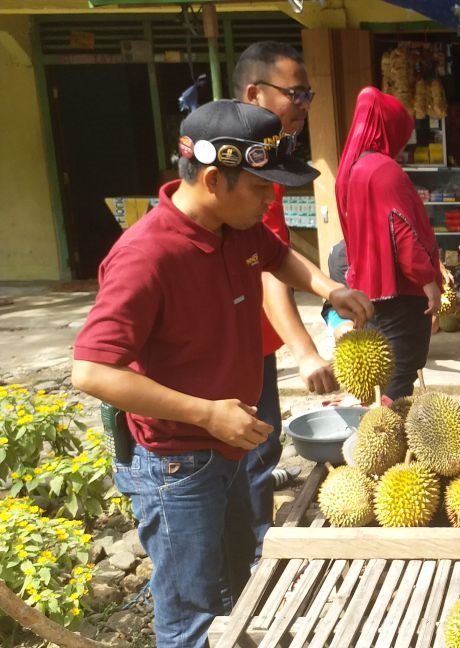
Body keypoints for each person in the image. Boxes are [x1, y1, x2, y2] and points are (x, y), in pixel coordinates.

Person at [71, 100, 373, 648]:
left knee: (237, 589)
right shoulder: (146, 256)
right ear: (213, 179)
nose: (270, 199)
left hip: (232, 447)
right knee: (190, 618)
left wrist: (330, 289)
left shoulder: (237, 227)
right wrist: (207, 414)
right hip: (177, 465)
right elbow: (91, 370)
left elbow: (278, 257)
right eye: (260, 187)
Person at [232, 39, 334, 560]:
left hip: (256, 345)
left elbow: (275, 256)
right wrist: (306, 351)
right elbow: (266, 271)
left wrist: (331, 289)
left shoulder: (263, 165)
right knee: (248, 459)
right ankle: (253, 562)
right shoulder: (243, 172)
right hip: (234, 351)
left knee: (256, 455)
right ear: (255, 93)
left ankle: (252, 554)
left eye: (309, 93)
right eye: (297, 93)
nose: (305, 104)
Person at [335, 87, 442, 401]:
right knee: (402, 369)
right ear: (388, 129)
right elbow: (402, 230)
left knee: (384, 372)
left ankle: (379, 421)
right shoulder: (384, 170)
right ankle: (386, 426)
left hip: (370, 289)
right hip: (403, 291)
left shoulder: (349, 170)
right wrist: (429, 281)